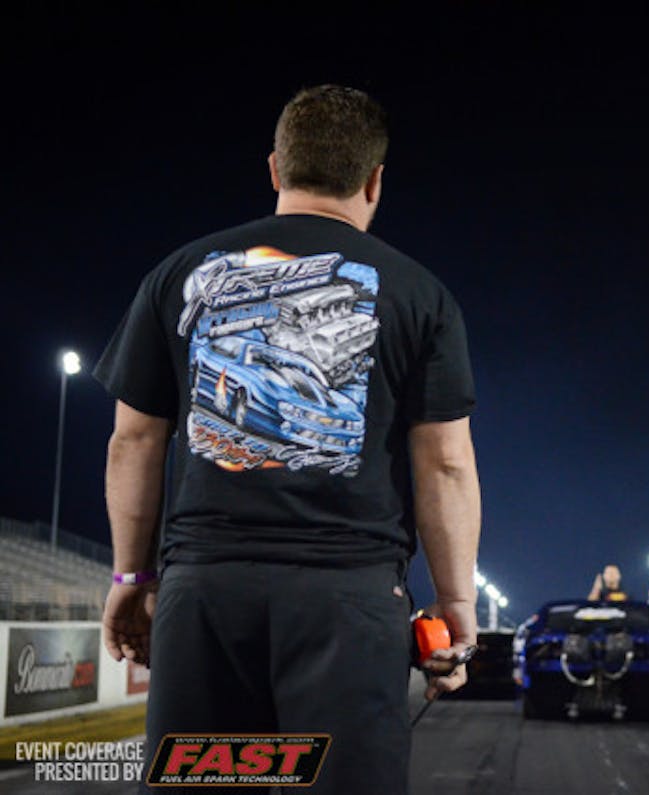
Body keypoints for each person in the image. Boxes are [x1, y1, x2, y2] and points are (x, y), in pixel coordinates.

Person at [94, 85, 481, 794]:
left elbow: (133, 441)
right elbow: (447, 464)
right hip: (350, 602)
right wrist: (456, 603)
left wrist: (130, 576)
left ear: (275, 168)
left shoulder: (178, 275)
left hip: (206, 595)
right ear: (374, 180)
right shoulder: (421, 294)